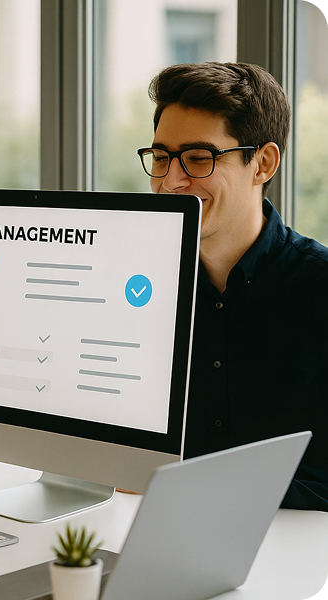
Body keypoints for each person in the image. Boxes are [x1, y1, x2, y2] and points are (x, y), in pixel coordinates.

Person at [139, 62, 328, 511]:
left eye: (198, 157)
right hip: (156, 529)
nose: (170, 181)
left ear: (262, 163)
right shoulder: (140, 287)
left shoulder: (319, 289)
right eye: (161, 157)